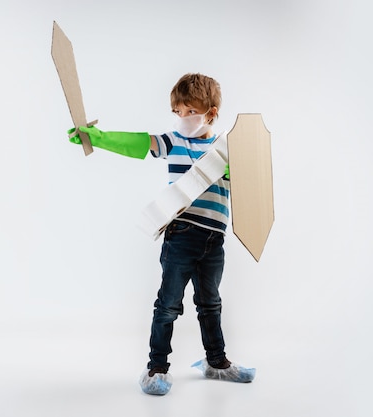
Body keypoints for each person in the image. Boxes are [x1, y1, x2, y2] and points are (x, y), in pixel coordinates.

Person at [68, 73, 255, 395]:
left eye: (191, 112)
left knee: (211, 304)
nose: (183, 119)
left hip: (214, 238)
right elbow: (140, 143)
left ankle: (217, 363)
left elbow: (252, 187)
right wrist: (97, 138)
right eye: (178, 113)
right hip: (181, 235)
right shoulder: (175, 142)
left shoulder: (227, 149)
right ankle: (156, 368)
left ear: (211, 113)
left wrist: (238, 170)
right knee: (168, 305)